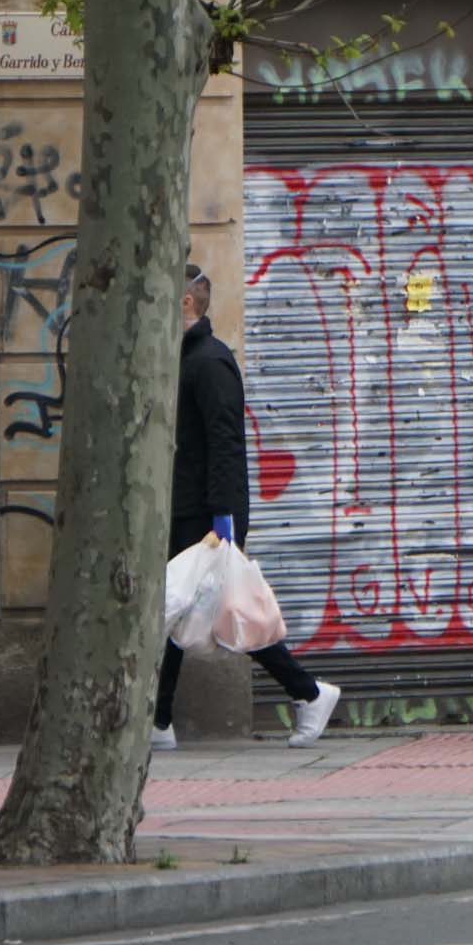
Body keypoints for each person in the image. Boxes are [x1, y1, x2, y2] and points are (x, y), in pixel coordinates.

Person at [151, 264, 340, 750]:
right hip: (188, 506)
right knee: (177, 612)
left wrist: (224, 520)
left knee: (223, 610)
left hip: (207, 513)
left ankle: (309, 691)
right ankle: (157, 721)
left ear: (186, 304)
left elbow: (226, 443)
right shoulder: (184, 358)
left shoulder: (209, 362)